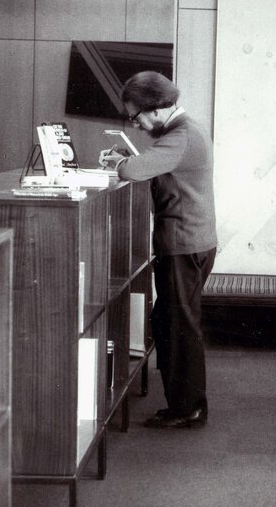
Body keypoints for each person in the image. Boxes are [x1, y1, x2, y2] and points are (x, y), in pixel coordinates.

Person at [100, 71, 217, 429]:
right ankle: (185, 403)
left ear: (156, 108)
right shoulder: (183, 131)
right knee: (170, 321)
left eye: (136, 117)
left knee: (179, 325)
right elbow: (154, 164)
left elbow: (133, 170)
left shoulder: (181, 136)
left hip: (184, 243)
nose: (136, 124)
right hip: (191, 241)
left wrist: (117, 163)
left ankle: (188, 408)